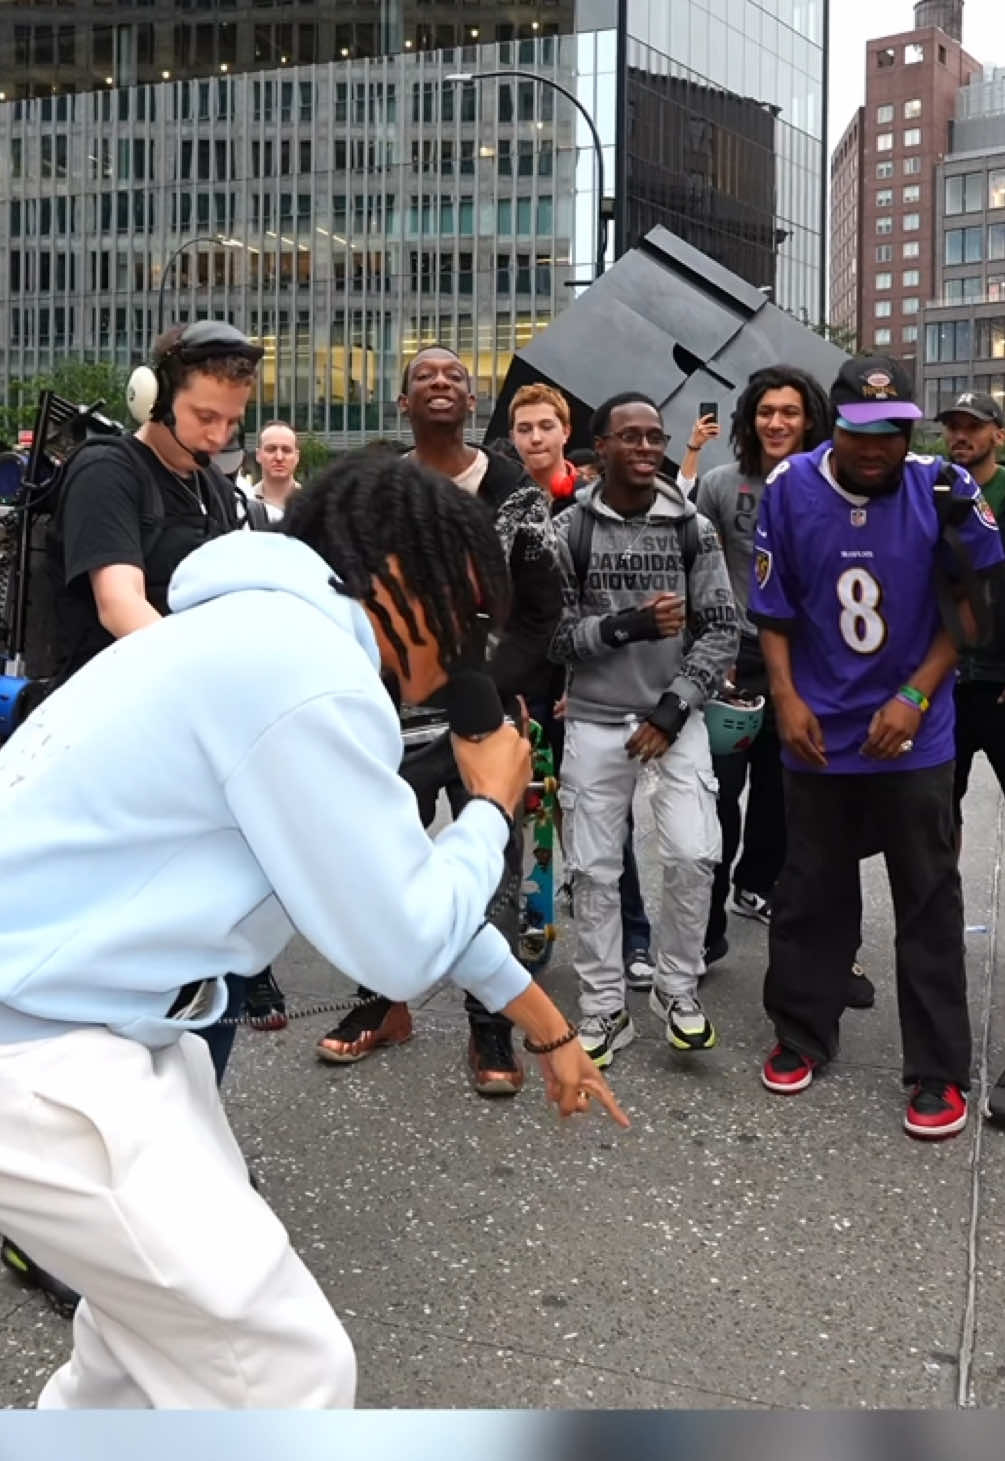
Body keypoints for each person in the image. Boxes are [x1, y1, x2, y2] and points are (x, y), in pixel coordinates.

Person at [0, 451, 626, 1410]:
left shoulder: (254, 631)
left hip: (95, 1031)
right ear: (399, 577)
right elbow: (399, 940)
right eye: (464, 618)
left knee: (134, 1362)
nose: (465, 653)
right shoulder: (306, 672)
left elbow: (384, 879)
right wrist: (491, 810)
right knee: (286, 1375)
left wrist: (543, 1021)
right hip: (50, 1054)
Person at [0, 319, 264, 1314]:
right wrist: (215, 698)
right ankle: (47, 1221)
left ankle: (173, 1163)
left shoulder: (211, 484)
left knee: (199, 976)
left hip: (171, 758)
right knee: (93, 998)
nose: (219, 434)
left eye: (234, 420)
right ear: (158, 394)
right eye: (203, 415)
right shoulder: (111, 471)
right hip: (101, 758)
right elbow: (121, 606)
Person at [751, 356, 1004, 1139]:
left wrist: (917, 694)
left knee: (927, 899)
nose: (876, 448)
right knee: (810, 889)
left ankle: (935, 1070)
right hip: (818, 729)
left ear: (909, 430)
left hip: (913, 731)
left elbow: (970, 608)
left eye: (892, 432)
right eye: (862, 431)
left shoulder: (943, 487)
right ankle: (801, 1030)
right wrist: (786, 698)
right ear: (835, 425)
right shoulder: (789, 488)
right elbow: (773, 608)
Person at [317, 347, 563, 1097]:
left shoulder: (514, 489)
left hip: (486, 707)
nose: (438, 383)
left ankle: (490, 1019)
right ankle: (384, 999)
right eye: (422, 375)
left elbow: (542, 610)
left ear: (471, 398)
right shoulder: (379, 489)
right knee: (381, 858)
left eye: (453, 376)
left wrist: (483, 689)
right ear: (401, 401)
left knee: (488, 859)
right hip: (390, 712)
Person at [551, 391, 738, 1066]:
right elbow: (550, 639)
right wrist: (625, 624)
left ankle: (676, 990)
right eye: (628, 436)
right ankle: (603, 1008)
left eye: (655, 436)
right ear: (597, 446)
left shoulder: (691, 526)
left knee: (693, 855)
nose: (645, 447)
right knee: (594, 871)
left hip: (674, 720)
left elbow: (721, 628)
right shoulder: (567, 530)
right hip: (596, 721)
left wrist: (675, 705)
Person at [693, 368, 874, 1007]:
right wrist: (706, 655)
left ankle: (766, 893)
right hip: (735, 658)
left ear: (811, 421)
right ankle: (702, 935)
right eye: (766, 411)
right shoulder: (719, 486)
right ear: (750, 420)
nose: (776, 423)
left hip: (810, 665)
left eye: (790, 413)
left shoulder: (835, 488)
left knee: (791, 798)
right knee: (716, 800)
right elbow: (700, 574)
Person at [508, 381, 655, 985]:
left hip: (586, 679)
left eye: (546, 426)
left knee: (599, 817)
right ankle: (530, 930)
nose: (535, 437)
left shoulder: (598, 503)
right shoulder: (506, 501)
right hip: (521, 681)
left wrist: (583, 673)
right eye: (524, 428)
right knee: (522, 812)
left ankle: (634, 936)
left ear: (565, 432)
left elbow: (614, 599)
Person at [937, 391, 1005, 825]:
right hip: (944, 677)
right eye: (954, 427)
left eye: (973, 427)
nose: (961, 436)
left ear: (998, 434)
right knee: (939, 810)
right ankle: (945, 895)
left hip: (999, 676)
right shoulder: (931, 488)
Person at [255, 420, 302, 521]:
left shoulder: (310, 504)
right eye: (271, 449)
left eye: (286, 450)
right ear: (258, 455)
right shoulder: (242, 504)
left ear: (297, 457)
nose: (279, 457)